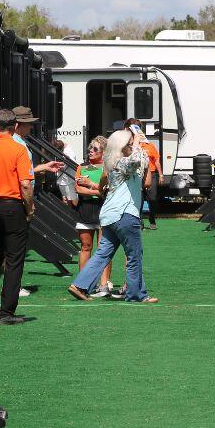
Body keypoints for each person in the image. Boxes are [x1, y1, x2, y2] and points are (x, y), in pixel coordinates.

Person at [0, 109, 59, 325]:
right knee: (14, 260)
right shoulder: (18, 149)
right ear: (14, 127)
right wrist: (29, 208)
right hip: (12, 206)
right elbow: (25, 184)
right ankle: (5, 312)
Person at [67, 128, 157, 304]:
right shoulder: (122, 163)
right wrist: (138, 142)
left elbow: (143, 161)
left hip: (109, 215)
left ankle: (80, 285)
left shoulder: (112, 163)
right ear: (123, 147)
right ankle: (136, 294)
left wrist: (140, 145)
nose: (133, 145)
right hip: (125, 213)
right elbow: (136, 160)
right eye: (129, 143)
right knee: (134, 254)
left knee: (103, 253)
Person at [72, 136, 114, 297]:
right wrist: (98, 191)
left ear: (103, 152)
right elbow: (78, 190)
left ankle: (104, 284)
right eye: (90, 148)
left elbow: (109, 190)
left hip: (104, 210)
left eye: (95, 149)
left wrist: (90, 185)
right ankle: (83, 284)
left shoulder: (108, 168)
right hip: (85, 210)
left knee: (103, 248)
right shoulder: (81, 167)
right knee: (85, 246)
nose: (90, 151)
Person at [125, 119, 161, 230]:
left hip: (151, 173)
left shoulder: (149, 145)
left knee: (152, 198)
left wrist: (161, 175)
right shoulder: (127, 146)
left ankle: (152, 217)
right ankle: (139, 221)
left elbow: (156, 161)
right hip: (137, 174)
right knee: (138, 199)